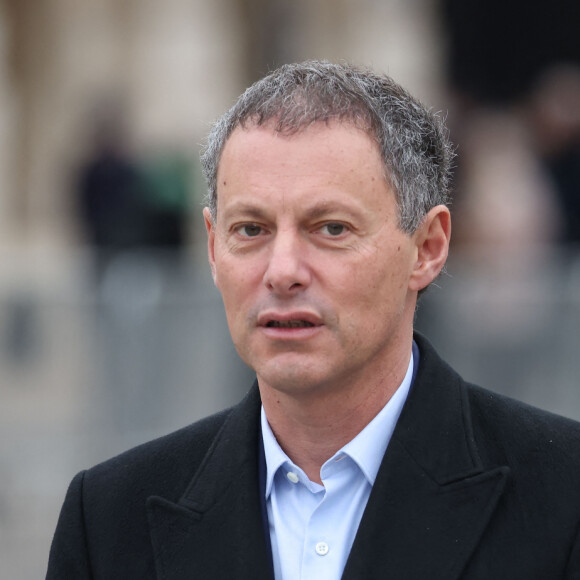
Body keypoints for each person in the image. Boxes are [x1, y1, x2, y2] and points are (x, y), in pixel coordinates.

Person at [46, 61, 580, 579]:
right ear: (212, 248)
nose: (282, 272)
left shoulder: (562, 495)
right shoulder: (108, 521)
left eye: (330, 228)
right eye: (251, 230)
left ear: (427, 248)